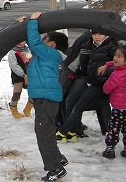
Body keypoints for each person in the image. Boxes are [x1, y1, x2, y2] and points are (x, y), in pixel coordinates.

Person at [25, 12, 69, 181]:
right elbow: (33, 43)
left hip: (46, 98)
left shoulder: (50, 54)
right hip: (44, 97)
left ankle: (55, 168)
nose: (42, 40)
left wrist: (33, 22)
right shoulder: (44, 55)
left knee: (44, 134)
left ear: (52, 44)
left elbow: (35, 43)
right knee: (45, 131)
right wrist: (25, 25)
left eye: (45, 38)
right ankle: (58, 159)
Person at [56, 31, 118, 142]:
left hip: (100, 83)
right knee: (70, 101)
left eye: (100, 34)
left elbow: (117, 64)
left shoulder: (112, 46)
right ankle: (72, 129)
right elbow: (85, 62)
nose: (97, 37)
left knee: (79, 106)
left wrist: (105, 73)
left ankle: (63, 131)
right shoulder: (91, 44)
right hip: (89, 79)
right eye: (95, 34)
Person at [98, 44, 126, 159]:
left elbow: (106, 89)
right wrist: (108, 64)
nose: (115, 58)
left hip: (118, 109)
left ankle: (110, 148)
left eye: (119, 56)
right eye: (115, 55)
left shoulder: (116, 75)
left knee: (114, 128)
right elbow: (114, 64)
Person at [7, 41, 34, 118]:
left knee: (33, 92)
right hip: (18, 76)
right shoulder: (13, 52)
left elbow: (30, 61)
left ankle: (28, 109)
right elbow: (14, 66)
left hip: (29, 75)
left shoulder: (28, 50)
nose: (20, 42)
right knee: (17, 93)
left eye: (22, 40)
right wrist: (23, 74)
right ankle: (13, 109)